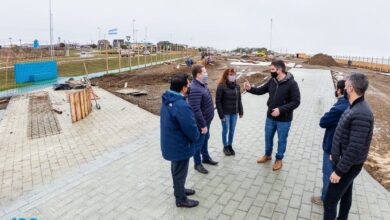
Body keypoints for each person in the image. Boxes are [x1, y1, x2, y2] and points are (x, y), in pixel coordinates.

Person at [324, 73, 374, 220]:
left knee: (329, 201)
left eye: (345, 86)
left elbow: (354, 148)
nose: (343, 88)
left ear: (351, 88)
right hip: (344, 162)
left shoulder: (361, 113)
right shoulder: (355, 105)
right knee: (346, 194)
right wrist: (335, 152)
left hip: (347, 166)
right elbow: (345, 135)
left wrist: (339, 172)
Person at [243, 59, 300, 171]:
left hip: (284, 120)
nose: (271, 71)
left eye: (272, 69)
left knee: (281, 140)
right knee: (268, 137)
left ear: (280, 70)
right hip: (270, 118)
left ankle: (279, 159)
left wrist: (281, 109)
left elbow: (296, 101)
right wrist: (250, 89)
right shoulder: (272, 81)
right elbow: (260, 91)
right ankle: (267, 155)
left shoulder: (292, 84)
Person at [160, 73, 200, 208]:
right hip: (179, 145)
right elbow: (190, 127)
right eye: (188, 85)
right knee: (180, 172)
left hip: (172, 143)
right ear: (183, 88)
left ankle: (179, 189)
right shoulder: (180, 105)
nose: (189, 87)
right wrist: (196, 137)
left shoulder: (168, 99)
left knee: (176, 170)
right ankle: (180, 199)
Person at [311, 80, 349, 206]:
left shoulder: (339, 108)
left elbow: (323, 122)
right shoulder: (351, 104)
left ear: (339, 90)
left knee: (328, 172)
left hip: (332, 147)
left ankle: (325, 198)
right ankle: (329, 192)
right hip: (343, 147)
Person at [188, 64, 218, 174]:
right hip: (201, 123)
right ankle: (197, 163)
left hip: (207, 120)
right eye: (204, 72)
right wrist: (203, 125)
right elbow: (195, 110)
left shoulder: (202, 84)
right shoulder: (195, 88)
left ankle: (205, 157)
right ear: (198, 75)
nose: (206, 74)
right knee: (198, 143)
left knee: (205, 139)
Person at [216, 68, 243, 156]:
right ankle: (225, 146)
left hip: (234, 113)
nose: (232, 76)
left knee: (232, 130)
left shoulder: (237, 87)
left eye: (233, 74)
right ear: (226, 75)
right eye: (230, 75)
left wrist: (241, 110)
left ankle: (230, 145)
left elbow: (239, 100)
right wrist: (221, 115)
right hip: (225, 113)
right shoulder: (221, 86)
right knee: (225, 129)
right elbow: (218, 101)